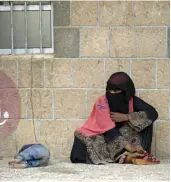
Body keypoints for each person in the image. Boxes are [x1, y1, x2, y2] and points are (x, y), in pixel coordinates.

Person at [70, 72, 159, 165]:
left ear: (126, 91)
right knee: (85, 137)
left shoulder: (132, 101)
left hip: (127, 137)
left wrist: (126, 117)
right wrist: (129, 147)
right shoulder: (102, 103)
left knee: (146, 119)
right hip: (106, 136)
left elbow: (153, 113)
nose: (113, 94)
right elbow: (109, 130)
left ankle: (136, 154)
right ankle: (129, 156)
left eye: (117, 92)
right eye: (110, 91)